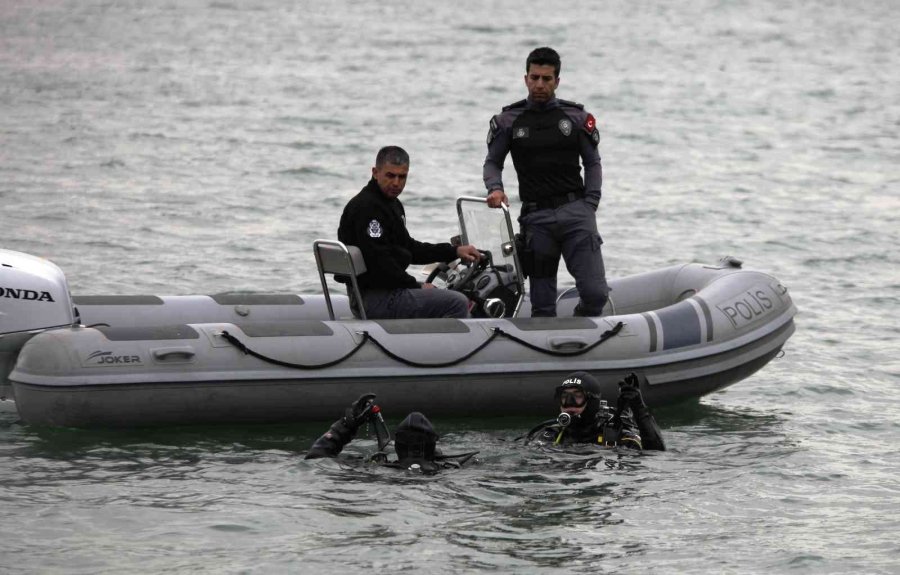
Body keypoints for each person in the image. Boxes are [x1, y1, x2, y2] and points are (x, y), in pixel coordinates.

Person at [483, 47, 609, 318]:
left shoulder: (575, 118)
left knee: (595, 294)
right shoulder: (508, 121)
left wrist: (591, 203)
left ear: (557, 81)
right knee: (542, 305)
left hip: (577, 214)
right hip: (536, 220)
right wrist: (495, 189)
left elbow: (593, 162)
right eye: (534, 77)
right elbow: (493, 162)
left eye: (547, 79)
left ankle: (583, 335)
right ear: (526, 78)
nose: (540, 84)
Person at [338, 146, 482, 319]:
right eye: (390, 175)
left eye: (402, 176)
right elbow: (378, 261)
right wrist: (415, 285)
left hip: (381, 292)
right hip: (376, 298)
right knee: (457, 302)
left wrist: (454, 251)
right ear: (376, 172)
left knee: (440, 293)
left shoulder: (390, 204)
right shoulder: (367, 208)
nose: (396, 183)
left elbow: (410, 248)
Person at [305, 393, 477, 473]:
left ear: (398, 445)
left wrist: (346, 425)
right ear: (433, 445)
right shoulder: (453, 468)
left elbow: (316, 457)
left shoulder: (375, 468)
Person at [525, 371, 666, 450]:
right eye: (565, 397)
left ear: (592, 402)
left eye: (577, 397)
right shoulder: (549, 436)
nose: (569, 404)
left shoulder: (616, 437)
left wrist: (639, 408)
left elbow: (655, 455)